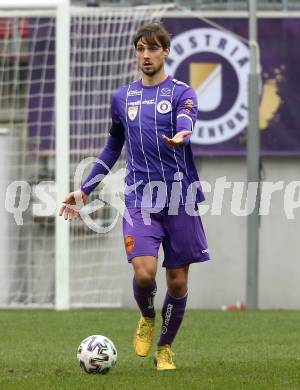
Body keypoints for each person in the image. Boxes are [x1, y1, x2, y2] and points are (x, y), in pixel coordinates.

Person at [59, 23, 210, 371]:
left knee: (177, 280)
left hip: (180, 198)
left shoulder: (182, 93)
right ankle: (146, 315)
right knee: (144, 274)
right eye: (141, 49)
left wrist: (182, 133)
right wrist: (84, 190)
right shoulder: (122, 98)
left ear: (166, 51)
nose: (146, 55)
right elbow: (113, 147)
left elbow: (187, 119)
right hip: (140, 199)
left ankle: (165, 349)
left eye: (153, 49)